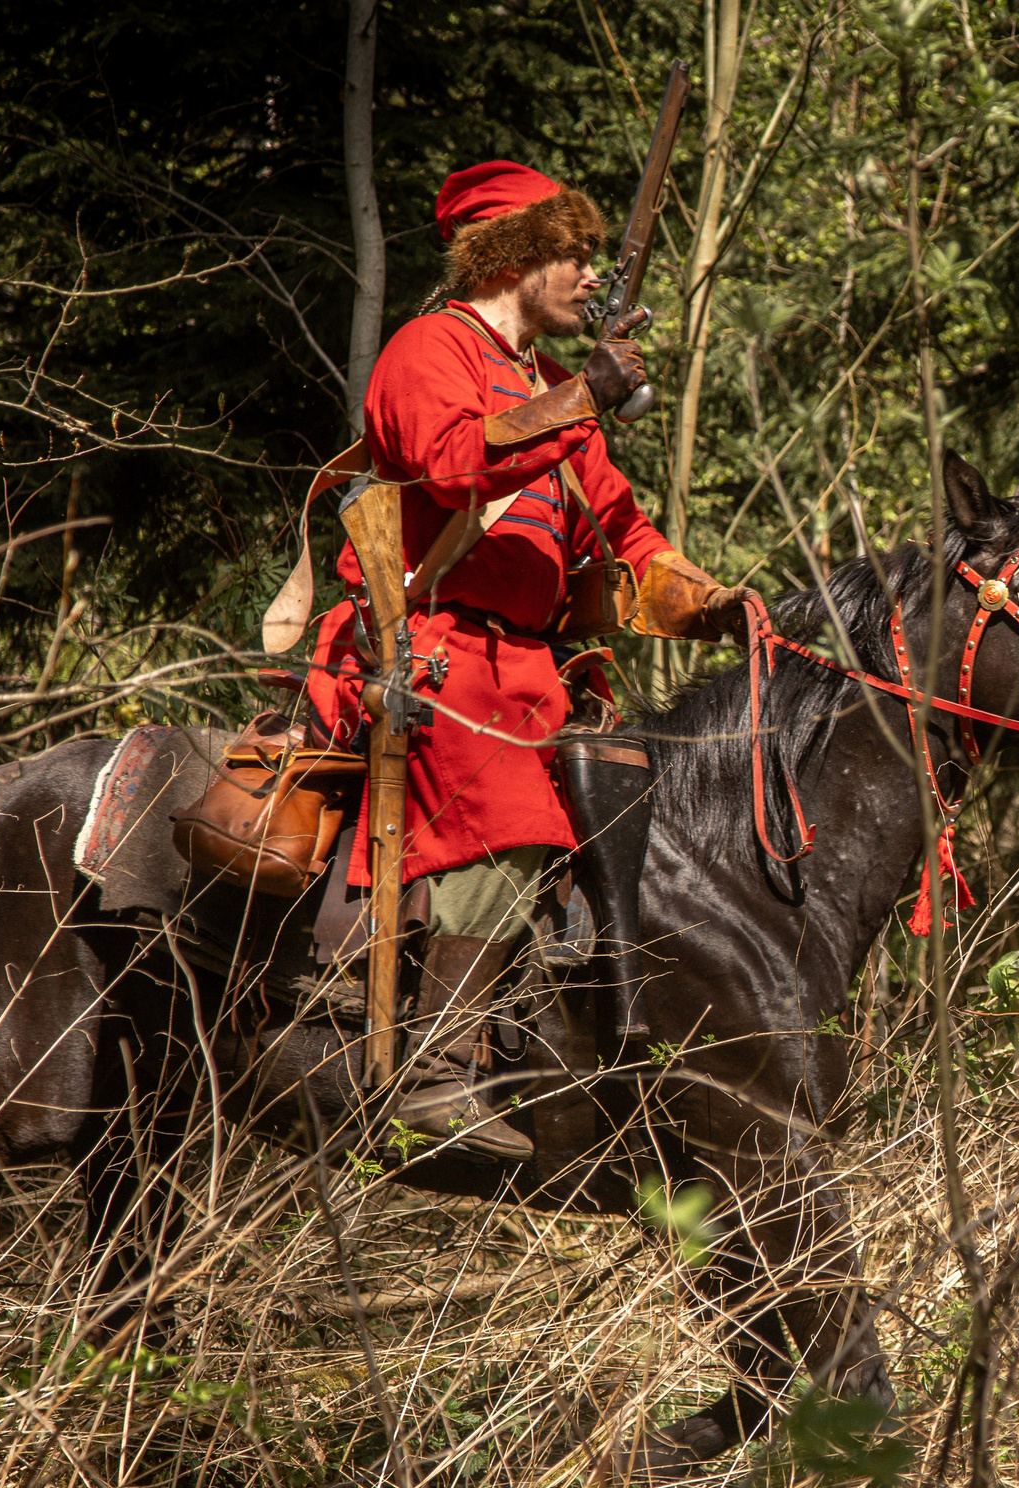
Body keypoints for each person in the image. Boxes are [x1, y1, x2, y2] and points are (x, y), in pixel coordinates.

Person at [305, 160, 743, 1163]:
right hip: (435, 656)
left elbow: (626, 536)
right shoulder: (429, 350)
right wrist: (586, 392)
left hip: (534, 672)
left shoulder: (553, 387)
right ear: (509, 257)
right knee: (510, 809)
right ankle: (436, 1072)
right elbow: (455, 462)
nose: (589, 277)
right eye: (571, 256)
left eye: (593, 257)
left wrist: (713, 604)